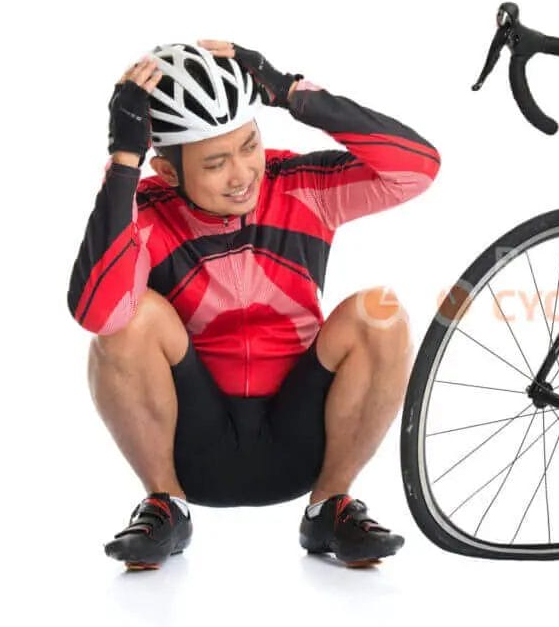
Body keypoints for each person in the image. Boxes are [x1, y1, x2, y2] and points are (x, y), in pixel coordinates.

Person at [67, 40, 440, 570]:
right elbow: (98, 315)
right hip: (191, 445)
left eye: (249, 146)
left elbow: (418, 169)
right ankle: (164, 506)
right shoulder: (145, 207)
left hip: (301, 439)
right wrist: (124, 162)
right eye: (216, 163)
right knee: (131, 318)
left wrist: (294, 94)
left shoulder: (302, 186)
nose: (242, 174)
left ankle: (330, 507)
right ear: (168, 173)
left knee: (380, 313)